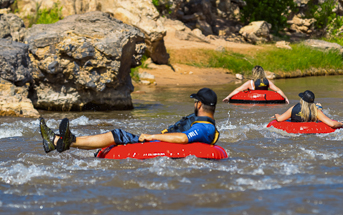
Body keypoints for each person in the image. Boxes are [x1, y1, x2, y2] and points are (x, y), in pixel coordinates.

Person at [39, 88, 220, 153]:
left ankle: (63, 141)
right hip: (160, 144)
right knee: (119, 135)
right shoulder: (204, 125)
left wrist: (151, 136)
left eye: (195, 101)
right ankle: (58, 141)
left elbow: (183, 139)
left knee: (118, 134)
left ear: (199, 104)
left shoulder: (204, 128)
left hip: (156, 144)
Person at [273, 90, 343, 128]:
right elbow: (332, 124)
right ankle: (319, 106)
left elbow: (279, 119)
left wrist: (276, 115)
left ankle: (319, 106)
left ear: (302, 99)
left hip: (295, 131)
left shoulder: (294, 108)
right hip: (312, 129)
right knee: (319, 112)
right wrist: (342, 123)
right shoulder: (316, 112)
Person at [223, 65, 289, 103]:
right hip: (265, 102)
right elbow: (278, 90)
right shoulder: (267, 81)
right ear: (262, 72)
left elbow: (237, 90)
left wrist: (228, 97)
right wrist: (286, 98)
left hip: (252, 102)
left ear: (253, 73)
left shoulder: (250, 82)